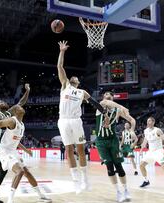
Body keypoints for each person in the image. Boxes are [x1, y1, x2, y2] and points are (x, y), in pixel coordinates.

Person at [56, 40, 105, 193]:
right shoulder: (65, 85)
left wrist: (104, 113)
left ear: (78, 82)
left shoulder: (82, 92)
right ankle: (75, 181)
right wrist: (62, 51)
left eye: (76, 78)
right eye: (73, 77)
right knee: (69, 150)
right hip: (63, 121)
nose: (74, 77)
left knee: (81, 149)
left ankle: (85, 180)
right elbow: (60, 66)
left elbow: (95, 103)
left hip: (76, 121)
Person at [0, 104, 51, 203]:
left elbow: (16, 141)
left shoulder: (22, 125)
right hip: (4, 151)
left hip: (12, 151)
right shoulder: (12, 121)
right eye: (19, 107)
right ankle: (10, 201)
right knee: (19, 172)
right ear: (16, 112)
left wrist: (26, 150)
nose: (21, 107)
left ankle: (41, 195)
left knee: (27, 172)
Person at [95, 92, 136, 202]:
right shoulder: (100, 106)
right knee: (109, 166)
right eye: (106, 95)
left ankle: (126, 190)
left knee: (118, 166)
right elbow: (106, 102)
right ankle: (118, 192)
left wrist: (132, 130)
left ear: (113, 98)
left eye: (110, 95)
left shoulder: (117, 111)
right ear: (103, 98)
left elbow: (132, 120)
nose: (108, 96)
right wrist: (123, 107)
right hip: (101, 142)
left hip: (113, 141)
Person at [139, 117, 164, 191]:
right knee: (141, 165)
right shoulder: (146, 131)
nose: (148, 122)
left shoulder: (157, 130)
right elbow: (145, 141)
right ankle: (146, 181)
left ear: (153, 122)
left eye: (149, 121)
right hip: (150, 152)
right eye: (147, 121)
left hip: (158, 151)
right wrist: (141, 150)